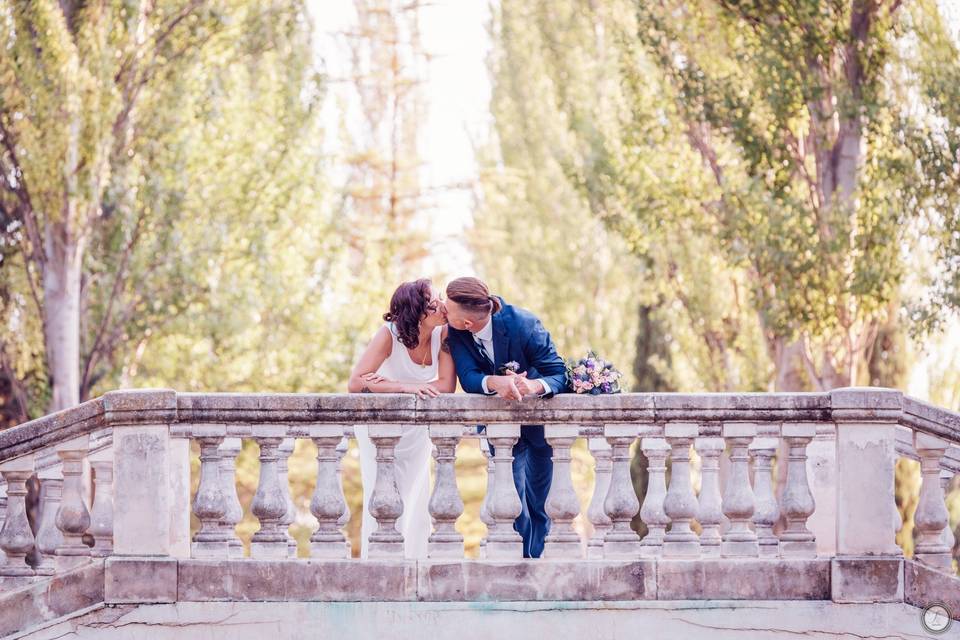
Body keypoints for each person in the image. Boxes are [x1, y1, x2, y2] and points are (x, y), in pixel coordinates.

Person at [443, 276, 566, 558]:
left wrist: (534, 386)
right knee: (511, 502)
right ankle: (517, 563)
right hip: (501, 431)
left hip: (539, 428)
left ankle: (538, 562)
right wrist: (494, 382)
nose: (442, 310)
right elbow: (468, 377)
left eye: (447, 309)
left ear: (467, 322)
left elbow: (559, 372)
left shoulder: (523, 324)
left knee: (540, 502)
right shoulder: (457, 333)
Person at [347, 279, 456, 559]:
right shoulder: (389, 335)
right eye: (433, 304)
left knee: (415, 496)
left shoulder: (444, 334)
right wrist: (403, 386)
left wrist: (388, 384)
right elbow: (356, 382)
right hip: (380, 429)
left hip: (417, 431)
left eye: (440, 299)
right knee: (382, 493)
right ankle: (379, 562)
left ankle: (412, 561)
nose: (442, 306)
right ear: (415, 313)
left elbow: (445, 386)